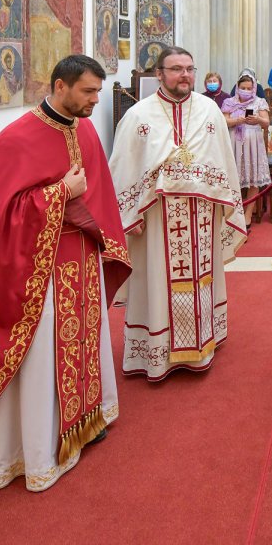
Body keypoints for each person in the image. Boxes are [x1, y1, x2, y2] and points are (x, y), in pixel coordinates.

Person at [0, 55, 131, 492]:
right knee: (44, 352)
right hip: (42, 269)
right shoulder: (17, 139)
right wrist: (58, 193)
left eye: (96, 91)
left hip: (82, 260)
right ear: (59, 86)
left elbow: (100, 188)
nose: (95, 101)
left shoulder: (84, 127)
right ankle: (38, 446)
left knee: (86, 340)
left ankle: (86, 420)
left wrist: (107, 238)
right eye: (87, 92)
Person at [109, 46, 247, 381]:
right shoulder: (139, 116)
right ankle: (157, 352)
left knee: (201, 279)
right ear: (159, 74)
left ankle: (202, 344)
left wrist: (223, 203)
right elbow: (123, 168)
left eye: (189, 68)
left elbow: (223, 164)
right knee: (156, 280)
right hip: (157, 218)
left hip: (201, 216)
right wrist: (128, 216)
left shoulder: (210, 112)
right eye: (176, 69)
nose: (184, 75)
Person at [222, 72, 271, 224]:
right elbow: (224, 121)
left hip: (253, 144)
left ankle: (248, 215)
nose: (246, 90)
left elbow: (266, 123)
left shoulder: (259, 101)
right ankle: (234, 213)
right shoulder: (229, 102)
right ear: (237, 87)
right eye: (243, 87)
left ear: (254, 88)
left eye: (249, 88)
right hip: (234, 142)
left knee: (252, 179)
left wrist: (257, 119)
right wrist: (237, 120)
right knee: (232, 178)